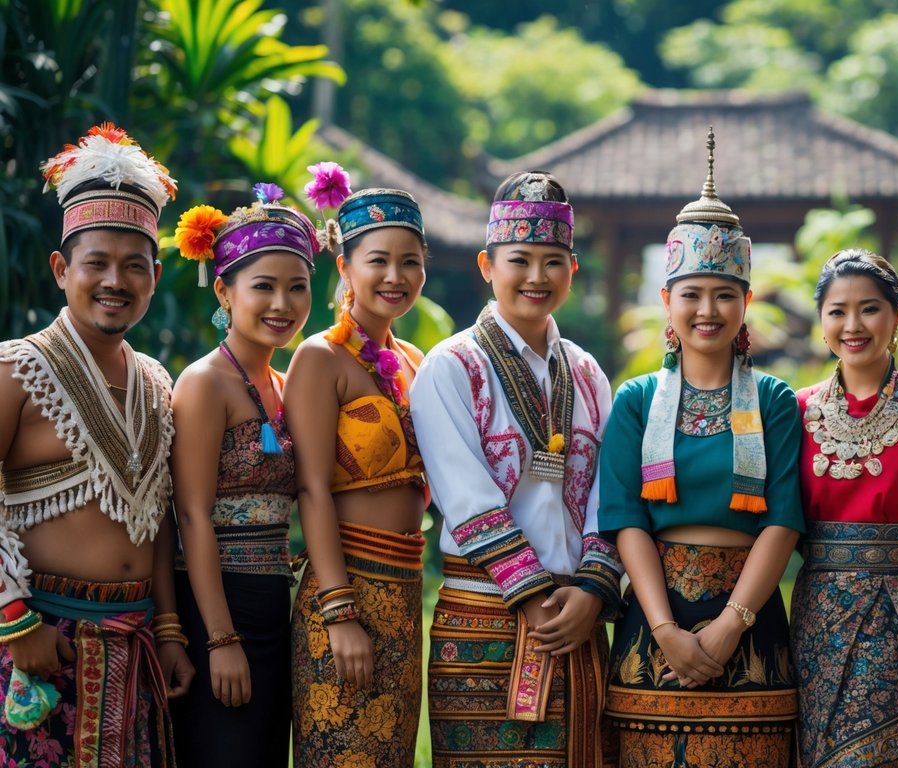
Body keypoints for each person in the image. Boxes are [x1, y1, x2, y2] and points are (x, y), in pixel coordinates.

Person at [599, 132, 803, 767]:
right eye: (691, 293)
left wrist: (727, 625)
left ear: (746, 303)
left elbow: (783, 518)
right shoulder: (634, 400)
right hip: (652, 629)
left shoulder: (774, 400)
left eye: (724, 294)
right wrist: (666, 631)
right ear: (667, 301)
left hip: (751, 629)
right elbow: (626, 519)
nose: (707, 310)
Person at [412, 170, 622, 767]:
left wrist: (591, 591)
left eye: (553, 261)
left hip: (579, 617)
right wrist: (535, 600)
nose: (536, 276)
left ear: (573, 271)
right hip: (485, 615)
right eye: (519, 259)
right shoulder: (450, 366)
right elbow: (465, 494)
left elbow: (610, 492)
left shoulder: (586, 373)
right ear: (487, 265)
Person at [0, 123, 192, 764]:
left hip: (132, 649)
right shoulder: (16, 370)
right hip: (38, 646)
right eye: (97, 264)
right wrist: (13, 618)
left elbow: (159, 519)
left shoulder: (156, 384)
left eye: (134, 266)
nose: (116, 280)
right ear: (61, 269)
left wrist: (168, 628)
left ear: (156, 276)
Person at [790, 249, 898, 767]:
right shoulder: (797, 408)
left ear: (897, 315)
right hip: (818, 610)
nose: (852, 324)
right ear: (821, 321)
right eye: (837, 311)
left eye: (869, 308)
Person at [168, 184, 318, 766]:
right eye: (263, 286)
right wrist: (220, 640)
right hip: (217, 603)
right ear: (226, 292)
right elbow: (190, 515)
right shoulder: (205, 383)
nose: (282, 302)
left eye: (297, 286)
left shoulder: (285, 387)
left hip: (271, 603)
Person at [284, 175, 429, 768]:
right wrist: (339, 610)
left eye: (410, 262)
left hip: (405, 589)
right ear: (344, 265)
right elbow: (311, 489)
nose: (395, 276)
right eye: (378, 261)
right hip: (344, 588)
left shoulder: (416, 362)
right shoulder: (320, 358)